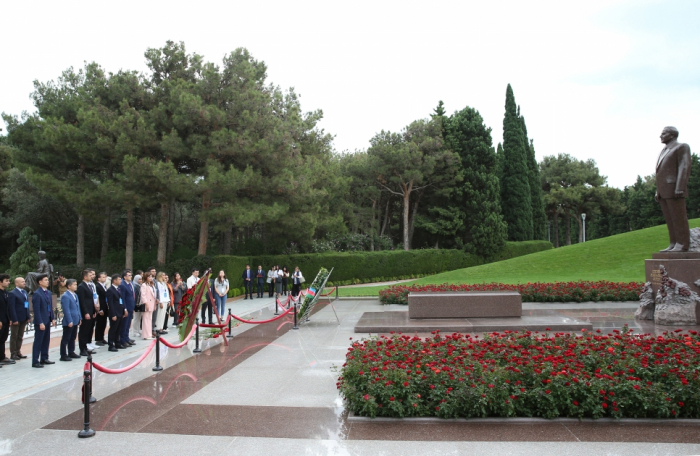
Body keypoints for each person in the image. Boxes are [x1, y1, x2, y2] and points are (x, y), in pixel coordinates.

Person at [655, 126, 692, 252]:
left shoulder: (682, 147)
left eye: (663, 133)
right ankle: (673, 243)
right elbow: (661, 173)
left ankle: (682, 244)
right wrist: (658, 190)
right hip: (664, 191)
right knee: (670, 219)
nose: (661, 136)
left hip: (674, 189)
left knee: (679, 218)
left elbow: (684, 166)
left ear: (672, 135)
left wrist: (680, 187)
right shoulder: (664, 150)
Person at [31, 274, 54, 368]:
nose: (47, 281)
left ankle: (44, 358)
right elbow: (36, 310)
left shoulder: (48, 292)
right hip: (41, 321)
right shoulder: (37, 294)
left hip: (47, 319)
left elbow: (50, 306)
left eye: (47, 280)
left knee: (46, 340)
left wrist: (52, 318)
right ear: (40, 282)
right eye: (45, 280)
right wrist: (40, 322)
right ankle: (35, 361)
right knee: (38, 341)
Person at [8, 277, 31, 360]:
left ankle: (18, 352)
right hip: (16, 318)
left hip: (23, 317)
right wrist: (14, 319)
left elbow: (26, 305)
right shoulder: (13, 293)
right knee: (14, 336)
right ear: (16, 283)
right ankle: (13, 353)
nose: (24, 283)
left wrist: (28, 316)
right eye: (22, 282)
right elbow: (12, 307)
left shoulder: (24, 292)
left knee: (20, 336)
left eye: (24, 281)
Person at [76, 269, 97, 356]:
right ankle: (82, 349)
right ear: (85, 277)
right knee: (83, 331)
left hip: (90, 310)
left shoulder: (89, 285)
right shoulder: (81, 287)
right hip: (86, 312)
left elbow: (91, 299)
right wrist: (86, 312)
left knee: (88, 330)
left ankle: (86, 347)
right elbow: (82, 301)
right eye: (89, 275)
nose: (91, 277)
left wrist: (93, 311)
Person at [59, 279, 81, 361]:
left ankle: (71, 351)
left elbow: (78, 307)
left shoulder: (75, 295)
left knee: (73, 337)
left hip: (76, 319)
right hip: (69, 320)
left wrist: (80, 318)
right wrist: (69, 320)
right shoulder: (65, 296)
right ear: (69, 286)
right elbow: (66, 310)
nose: (76, 286)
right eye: (74, 284)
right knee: (66, 338)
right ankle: (63, 355)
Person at [107, 274, 127, 351]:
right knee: (113, 329)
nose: (120, 281)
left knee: (118, 328)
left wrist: (124, 310)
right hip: (115, 312)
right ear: (114, 281)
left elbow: (121, 300)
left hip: (120, 311)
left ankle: (117, 342)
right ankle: (111, 345)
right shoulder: (110, 290)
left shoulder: (119, 289)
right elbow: (110, 303)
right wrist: (113, 314)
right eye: (119, 279)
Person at [119, 270, 137, 346]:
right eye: (128, 275)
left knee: (128, 324)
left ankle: (127, 338)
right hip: (126, 307)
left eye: (131, 275)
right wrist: (125, 308)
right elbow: (123, 298)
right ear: (124, 277)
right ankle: (122, 339)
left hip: (131, 306)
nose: (130, 276)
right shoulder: (122, 285)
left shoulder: (131, 284)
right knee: (124, 325)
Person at [0, 274, 13, 366]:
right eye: (6, 281)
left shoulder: (6, 293)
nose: (8, 282)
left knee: (3, 339)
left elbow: (8, 307)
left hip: (6, 320)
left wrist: (10, 319)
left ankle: (2, 357)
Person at [94, 272, 109, 346]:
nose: (105, 278)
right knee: (99, 323)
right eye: (103, 277)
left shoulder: (104, 286)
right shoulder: (97, 286)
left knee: (104, 323)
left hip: (105, 306)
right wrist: (99, 309)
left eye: (105, 277)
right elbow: (97, 298)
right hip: (101, 307)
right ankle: (98, 339)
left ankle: (102, 337)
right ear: (98, 279)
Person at [140, 274, 157, 340]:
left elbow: (154, 294)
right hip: (147, 304)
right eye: (149, 277)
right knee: (146, 319)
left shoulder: (151, 285)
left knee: (149, 319)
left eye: (151, 277)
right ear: (146, 277)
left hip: (152, 303)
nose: (151, 278)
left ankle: (149, 334)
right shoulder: (144, 285)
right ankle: (145, 335)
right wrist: (146, 303)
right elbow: (143, 295)